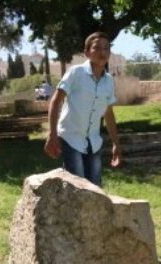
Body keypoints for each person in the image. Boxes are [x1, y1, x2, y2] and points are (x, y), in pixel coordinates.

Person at [44, 32, 122, 185]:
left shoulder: (109, 81)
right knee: (77, 186)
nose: (102, 52)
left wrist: (116, 144)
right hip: (70, 137)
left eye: (106, 48)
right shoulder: (76, 72)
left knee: (95, 188)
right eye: (97, 48)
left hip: (94, 142)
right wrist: (52, 134)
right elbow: (55, 101)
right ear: (86, 52)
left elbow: (108, 113)